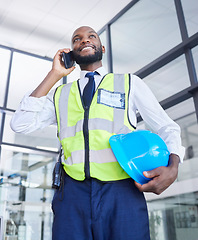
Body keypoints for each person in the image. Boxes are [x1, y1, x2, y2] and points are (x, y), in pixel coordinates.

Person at [11, 26, 185, 240]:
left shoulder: (129, 83)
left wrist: (173, 167)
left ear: (101, 47)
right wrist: (54, 75)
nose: (84, 41)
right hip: (72, 194)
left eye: (91, 36)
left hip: (122, 192)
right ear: (71, 53)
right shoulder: (60, 94)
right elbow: (20, 124)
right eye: (77, 39)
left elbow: (167, 127)